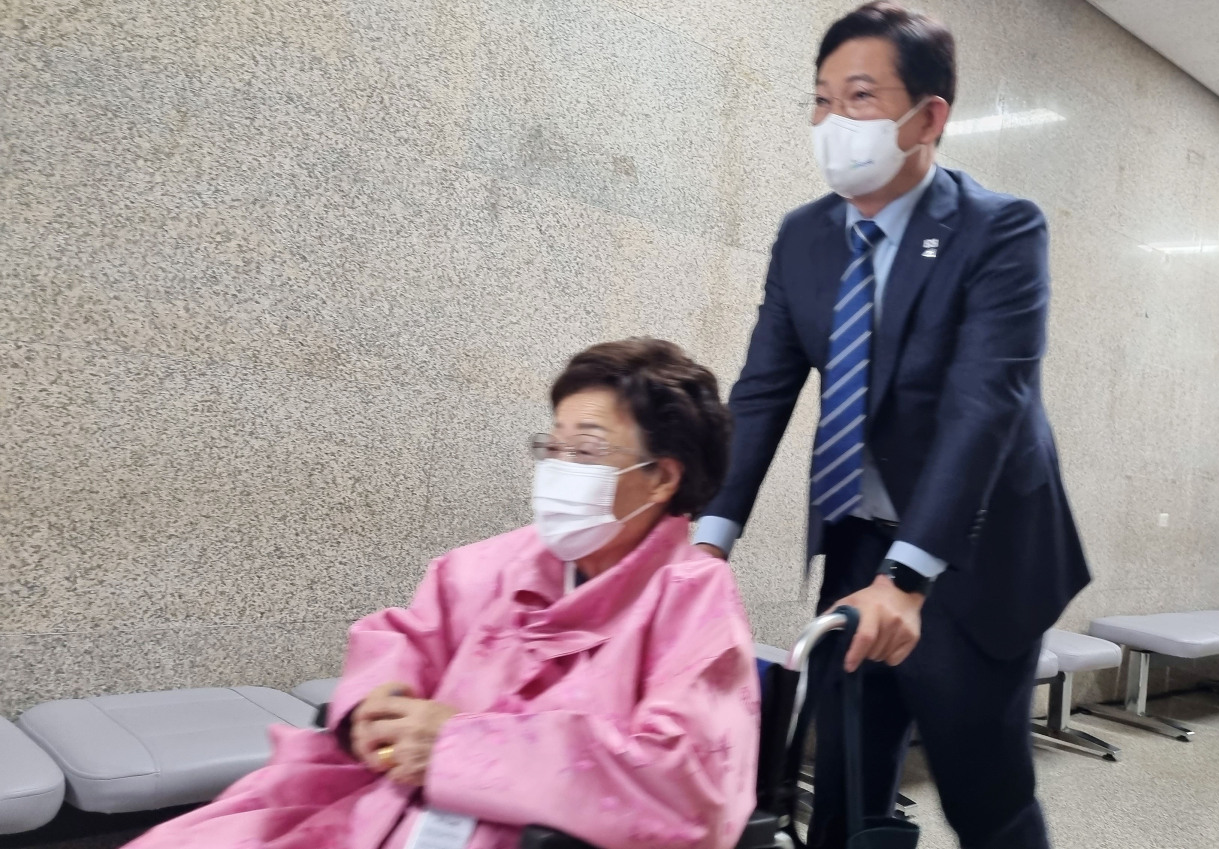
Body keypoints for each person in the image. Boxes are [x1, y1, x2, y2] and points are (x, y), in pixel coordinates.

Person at [692, 4, 1089, 848]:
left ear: (929, 116)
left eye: (861, 97)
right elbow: (762, 391)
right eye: (822, 99)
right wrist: (705, 539)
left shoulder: (1000, 229)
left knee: (986, 797)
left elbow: (988, 403)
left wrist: (909, 579)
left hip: (974, 552)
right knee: (842, 790)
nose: (834, 122)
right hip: (860, 543)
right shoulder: (805, 236)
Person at [126, 338, 759, 849]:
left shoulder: (693, 599)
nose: (559, 469)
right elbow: (405, 635)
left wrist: (461, 748)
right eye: (553, 446)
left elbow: (689, 783)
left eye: (587, 450)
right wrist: (380, 703)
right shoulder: (500, 561)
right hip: (390, 800)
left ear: (661, 479)